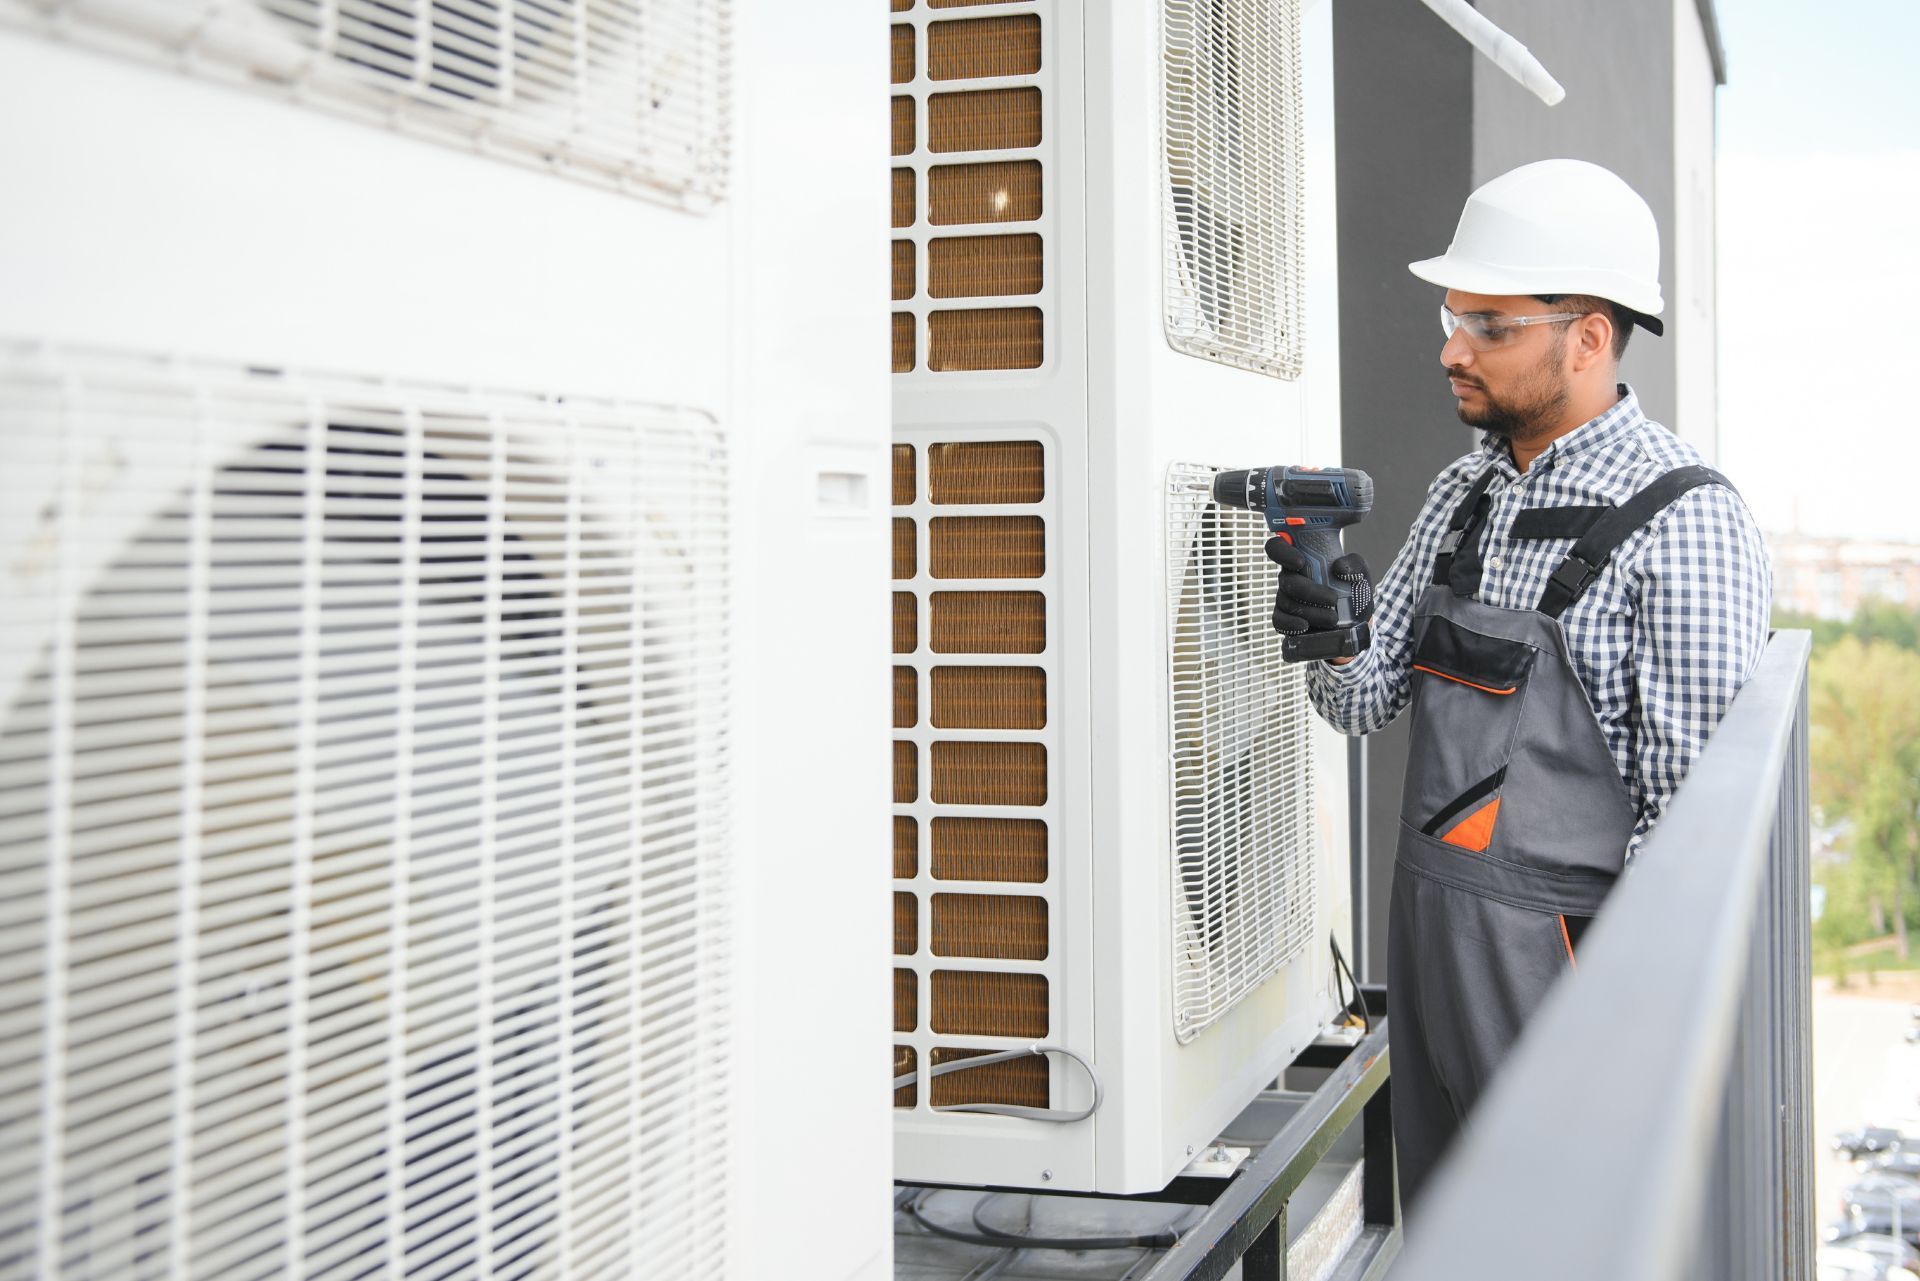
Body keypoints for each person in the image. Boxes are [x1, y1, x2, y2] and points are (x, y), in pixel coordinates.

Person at [1266, 158, 1772, 1210]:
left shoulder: (1685, 518)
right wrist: (1328, 628)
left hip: (1566, 979)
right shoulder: (1464, 493)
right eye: (1454, 317)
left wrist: (1622, 1037)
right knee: (1445, 1233)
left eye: (1489, 324)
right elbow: (1362, 704)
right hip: (1433, 955)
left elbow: (1691, 835)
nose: (1452, 349)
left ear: (1587, 335)